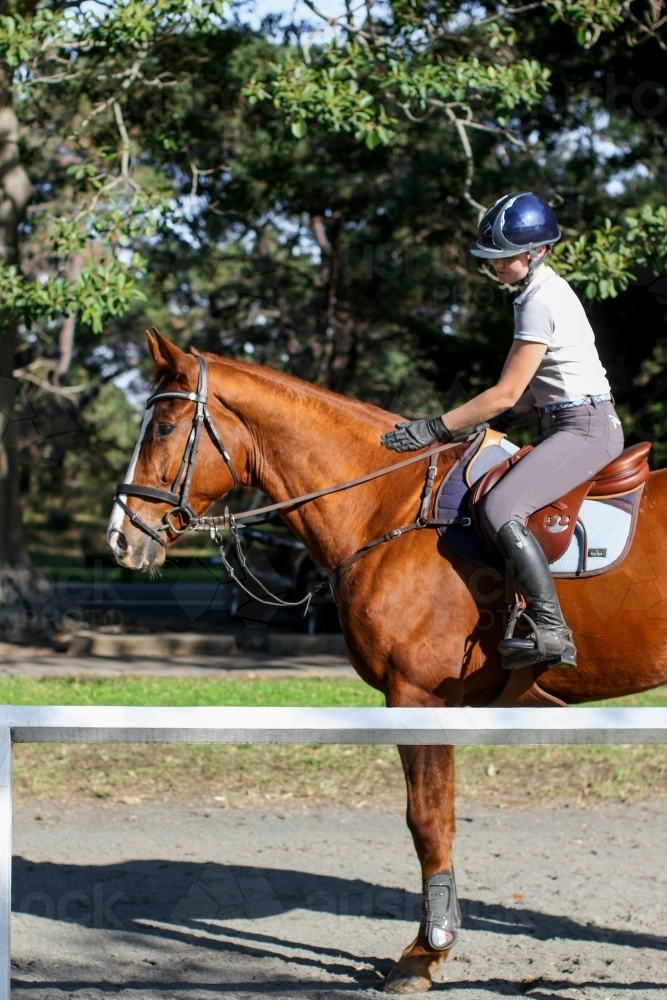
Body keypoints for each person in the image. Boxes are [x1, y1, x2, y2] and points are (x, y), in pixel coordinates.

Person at [381, 191, 624, 671]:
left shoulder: (540, 300)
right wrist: (503, 419)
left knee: (500, 506)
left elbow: (505, 392)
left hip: (586, 428)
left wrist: (435, 427)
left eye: (502, 255)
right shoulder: (539, 293)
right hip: (565, 418)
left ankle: (552, 628)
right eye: (490, 256)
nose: (494, 264)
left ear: (535, 252)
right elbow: (545, 386)